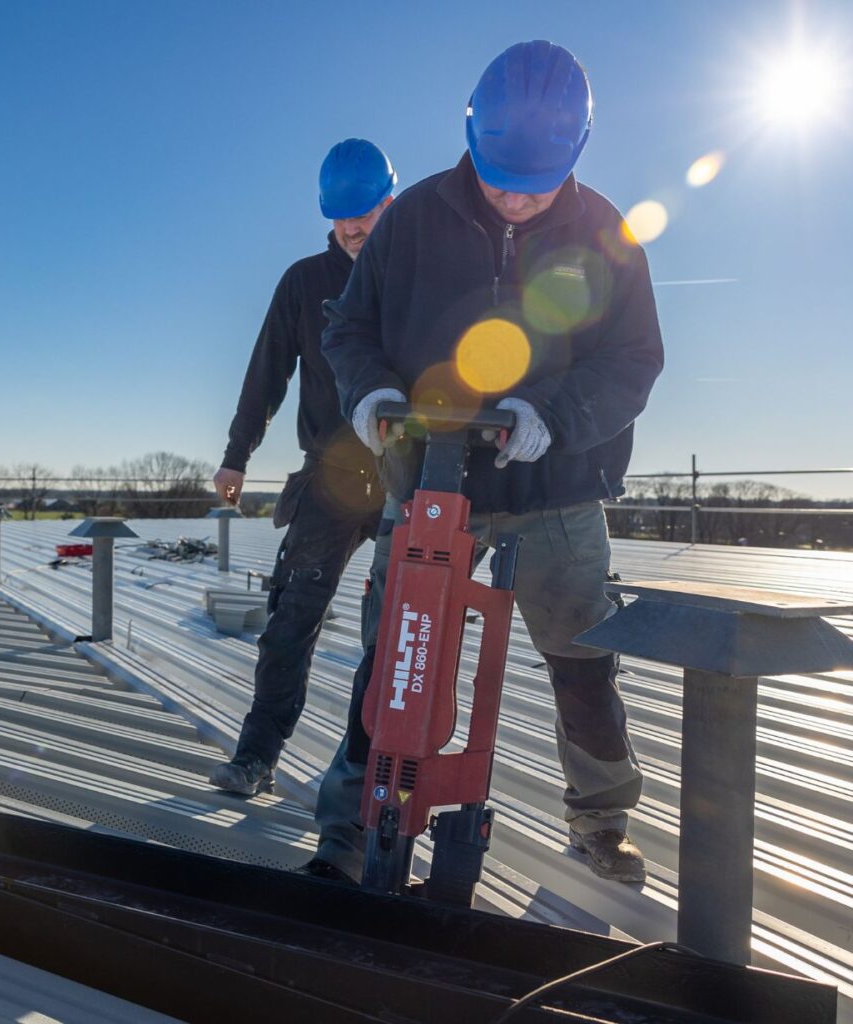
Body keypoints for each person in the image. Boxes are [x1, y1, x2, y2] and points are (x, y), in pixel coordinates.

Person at [305, 41, 664, 884]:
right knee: (393, 663)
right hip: (426, 485)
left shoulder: (608, 236)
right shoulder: (413, 220)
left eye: (533, 186)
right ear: (471, 136)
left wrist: (556, 418)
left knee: (583, 666)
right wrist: (366, 396)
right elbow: (347, 331)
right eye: (499, 176)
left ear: (575, 155)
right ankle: (353, 827)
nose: (512, 199)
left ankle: (601, 824)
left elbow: (634, 362)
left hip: (556, 494)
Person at [208, 139, 398, 797]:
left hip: (407, 477)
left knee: (399, 629)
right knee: (291, 619)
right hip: (332, 479)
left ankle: (370, 772)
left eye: (366, 213)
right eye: (342, 216)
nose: (354, 228)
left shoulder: (416, 278)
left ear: (388, 202)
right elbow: (267, 374)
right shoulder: (303, 283)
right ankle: (256, 756)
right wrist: (237, 456)